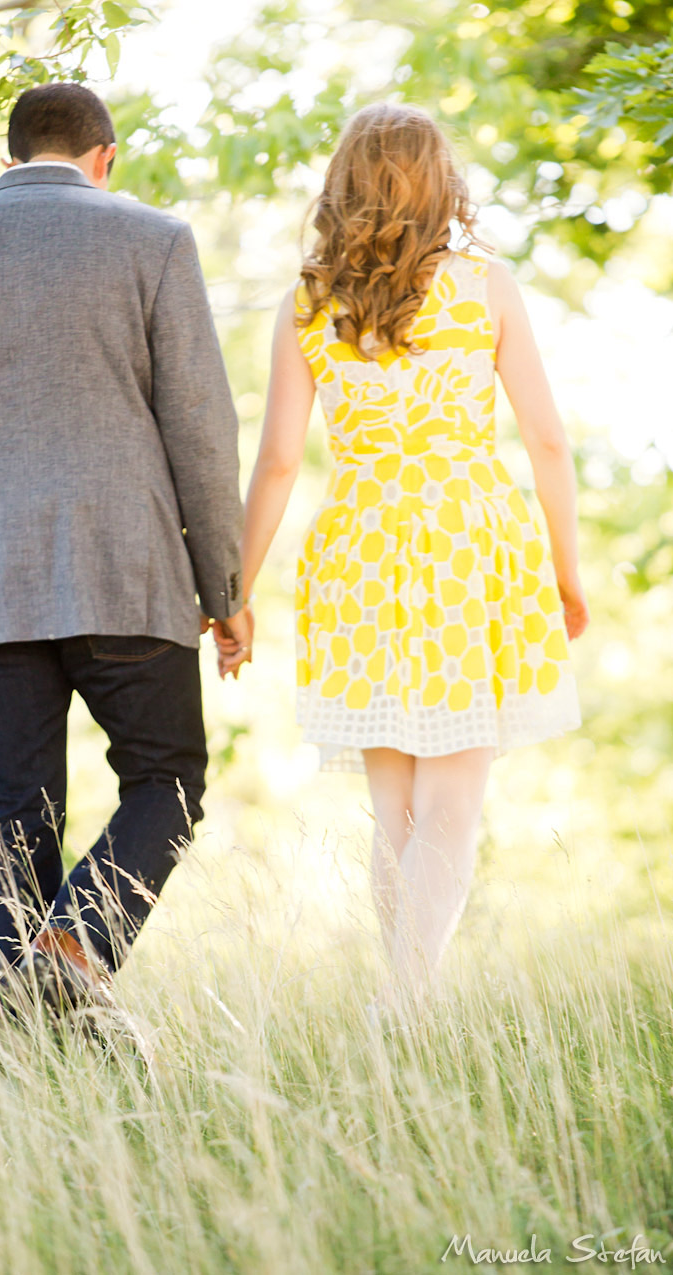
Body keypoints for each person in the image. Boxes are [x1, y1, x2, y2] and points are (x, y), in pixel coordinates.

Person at [0, 82, 253, 1028]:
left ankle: (36, 1050)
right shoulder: (155, 241)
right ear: (104, 157)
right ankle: (77, 947)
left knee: (16, 824)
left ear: (10, 157)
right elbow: (201, 428)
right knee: (166, 781)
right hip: (131, 579)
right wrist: (227, 586)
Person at [217, 102, 588, 1014]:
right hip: (470, 546)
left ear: (345, 183)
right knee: (453, 802)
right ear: (439, 182)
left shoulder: (309, 304)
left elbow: (274, 461)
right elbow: (546, 441)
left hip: (359, 552)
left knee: (398, 813)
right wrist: (565, 571)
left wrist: (233, 590)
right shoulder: (486, 286)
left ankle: (404, 1005)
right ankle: (407, 1005)